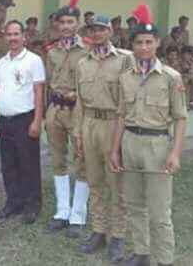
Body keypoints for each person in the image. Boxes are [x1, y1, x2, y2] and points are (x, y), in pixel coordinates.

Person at [110, 4, 187, 266]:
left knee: (159, 212)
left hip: (157, 145)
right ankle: (141, 253)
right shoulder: (126, 77)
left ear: (157, 43)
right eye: (139, 42)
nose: (144, 47)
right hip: (130, 143)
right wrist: (115, 149)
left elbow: (180, 118)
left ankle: (164, 260)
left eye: (148, 42)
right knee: (133, 205)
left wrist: (175, 153)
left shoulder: (171, 77)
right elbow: (121, 114)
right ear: (132, 45)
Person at [75, 15, 133, 263]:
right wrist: (78, 132)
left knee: (117, 183)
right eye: (93, 29)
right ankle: (98, 231)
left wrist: (123, 136)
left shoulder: (124, 59)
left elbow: (129, 99)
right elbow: (79, 101)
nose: (97, 33)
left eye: (101, 29)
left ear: (110, 31)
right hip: (89, 122)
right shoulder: (83, 62)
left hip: (113, 123)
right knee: (95, 182)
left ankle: (117, 235)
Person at [44, 0, 90, 237]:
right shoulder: (51, 52)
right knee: (58, 159)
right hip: (55, 110)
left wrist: (78, 95)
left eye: (70, 22)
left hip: (77, 111)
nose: (65, 26)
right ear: (57, 25)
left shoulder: (87, 50)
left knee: (82, 159)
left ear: (77, 24)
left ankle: (78, 215)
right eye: (62, 22)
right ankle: (62, 211)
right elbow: (48, 82)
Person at [0, 20, 45, 224]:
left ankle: (32, 205)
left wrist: (37, 121)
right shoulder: (1, 62)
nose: (12, 38)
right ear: (5, 37)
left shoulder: (33, 60)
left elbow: (39, 92)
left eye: (16, 34)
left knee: (28, 164)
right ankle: (13, 203)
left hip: (25, 120)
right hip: (5, 121)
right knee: (9, 164)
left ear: (23, 36)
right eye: (9, 34)